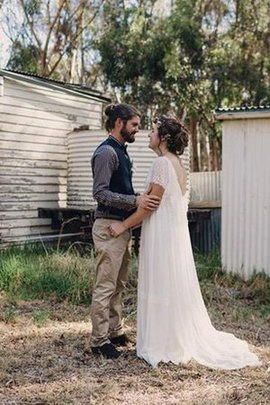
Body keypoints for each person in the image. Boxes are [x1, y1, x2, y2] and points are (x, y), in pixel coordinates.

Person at [109, 115, 261, 369]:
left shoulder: (161, 164)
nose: (148, 134)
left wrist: (122, 225)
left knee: (161, 283)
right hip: (174, 236)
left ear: (164, 138)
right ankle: (172, 336)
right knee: (170, 283)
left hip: (162, 235)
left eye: (153, 130)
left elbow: (150, 206)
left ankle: (164, 343)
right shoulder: (178, 165)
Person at [90, 103, 161, 359]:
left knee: (118, 284)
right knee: (105, 285)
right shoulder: (107, 152)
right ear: (119, 123)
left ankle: (115, 330)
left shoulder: (122, 151)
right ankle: (98, 341)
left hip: (121, 228)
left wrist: (136, 202)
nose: (137, 130)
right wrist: (134, 201)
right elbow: (100, 193)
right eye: (134, 125)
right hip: (107, 227)